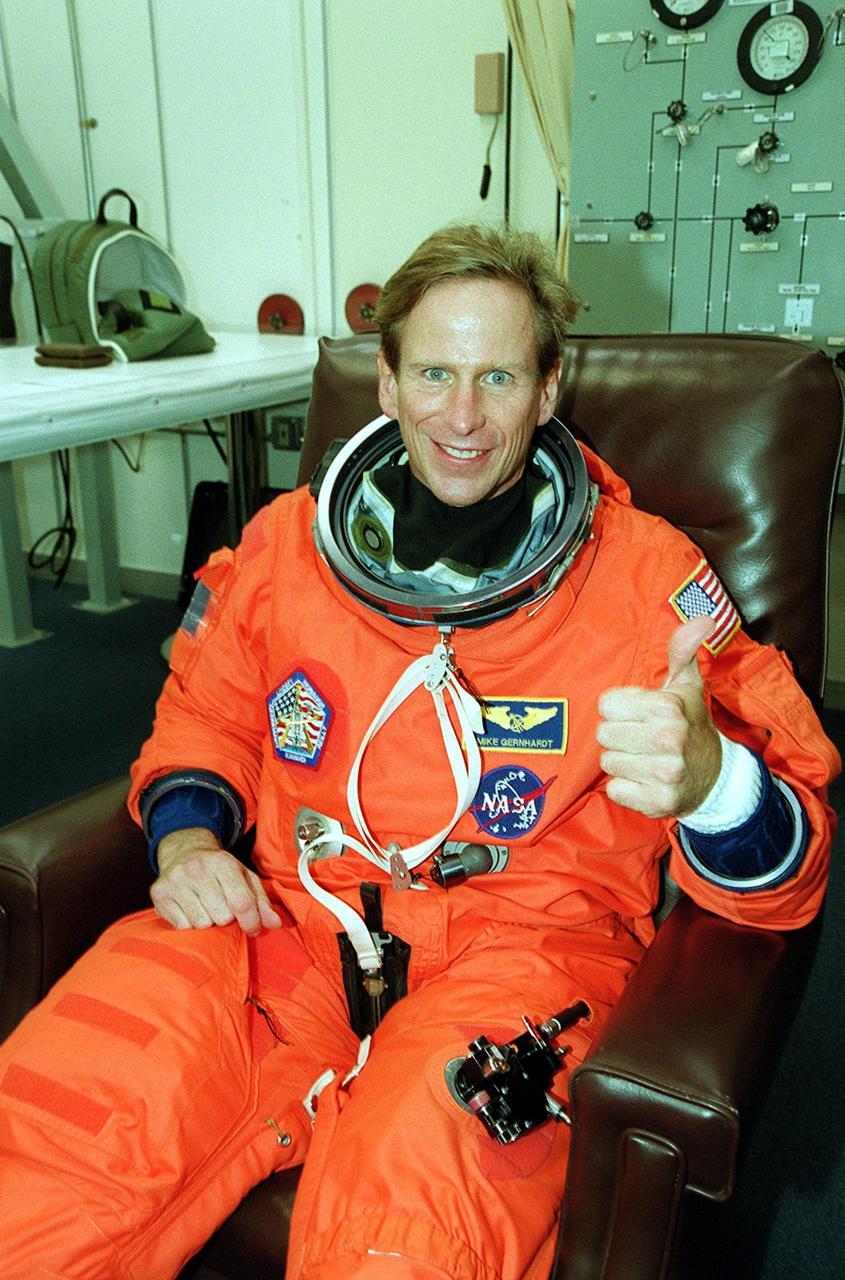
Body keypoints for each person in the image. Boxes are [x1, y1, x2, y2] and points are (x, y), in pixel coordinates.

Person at [0, 223, 837, 1280]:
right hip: (281, 924)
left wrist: (714, 785)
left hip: (518, 959)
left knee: (407, 1243)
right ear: (385, 383)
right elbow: (204, 713)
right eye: (433, 372)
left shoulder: (644, 583)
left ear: (547, 388)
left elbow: (788, 872)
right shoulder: (288, 548)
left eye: (497, 376)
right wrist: (185, 843)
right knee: (42, 1156)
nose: (461, 413)